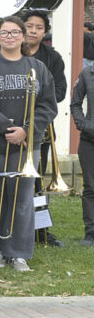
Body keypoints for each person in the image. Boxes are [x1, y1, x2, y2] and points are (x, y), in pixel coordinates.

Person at [0, 16, 57, 272]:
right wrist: (7, 128)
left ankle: (19, 252)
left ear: (23, 36)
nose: (10, 36)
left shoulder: (38, 68)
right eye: (5, 32)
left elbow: (47, 105)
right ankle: (0, 248)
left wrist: (26, 131)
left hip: (27, 146)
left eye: (15, 32)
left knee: (21, 198)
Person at [22, 9, 68, 248]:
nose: (33, 31)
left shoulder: (53, 57)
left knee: (37, 181)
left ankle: (41, 231)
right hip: (12, 126)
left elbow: (59, 91)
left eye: (38, 27)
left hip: (40, 126)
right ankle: (10, 228)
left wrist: (35, 101)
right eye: (29, 26)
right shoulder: (9, 52)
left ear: (44, 31)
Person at [72, 59, 94, 246]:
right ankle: (90, 233)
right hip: (90, 141)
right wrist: (84, 126)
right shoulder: (87, 74)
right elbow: (75, 104)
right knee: (91, 187)